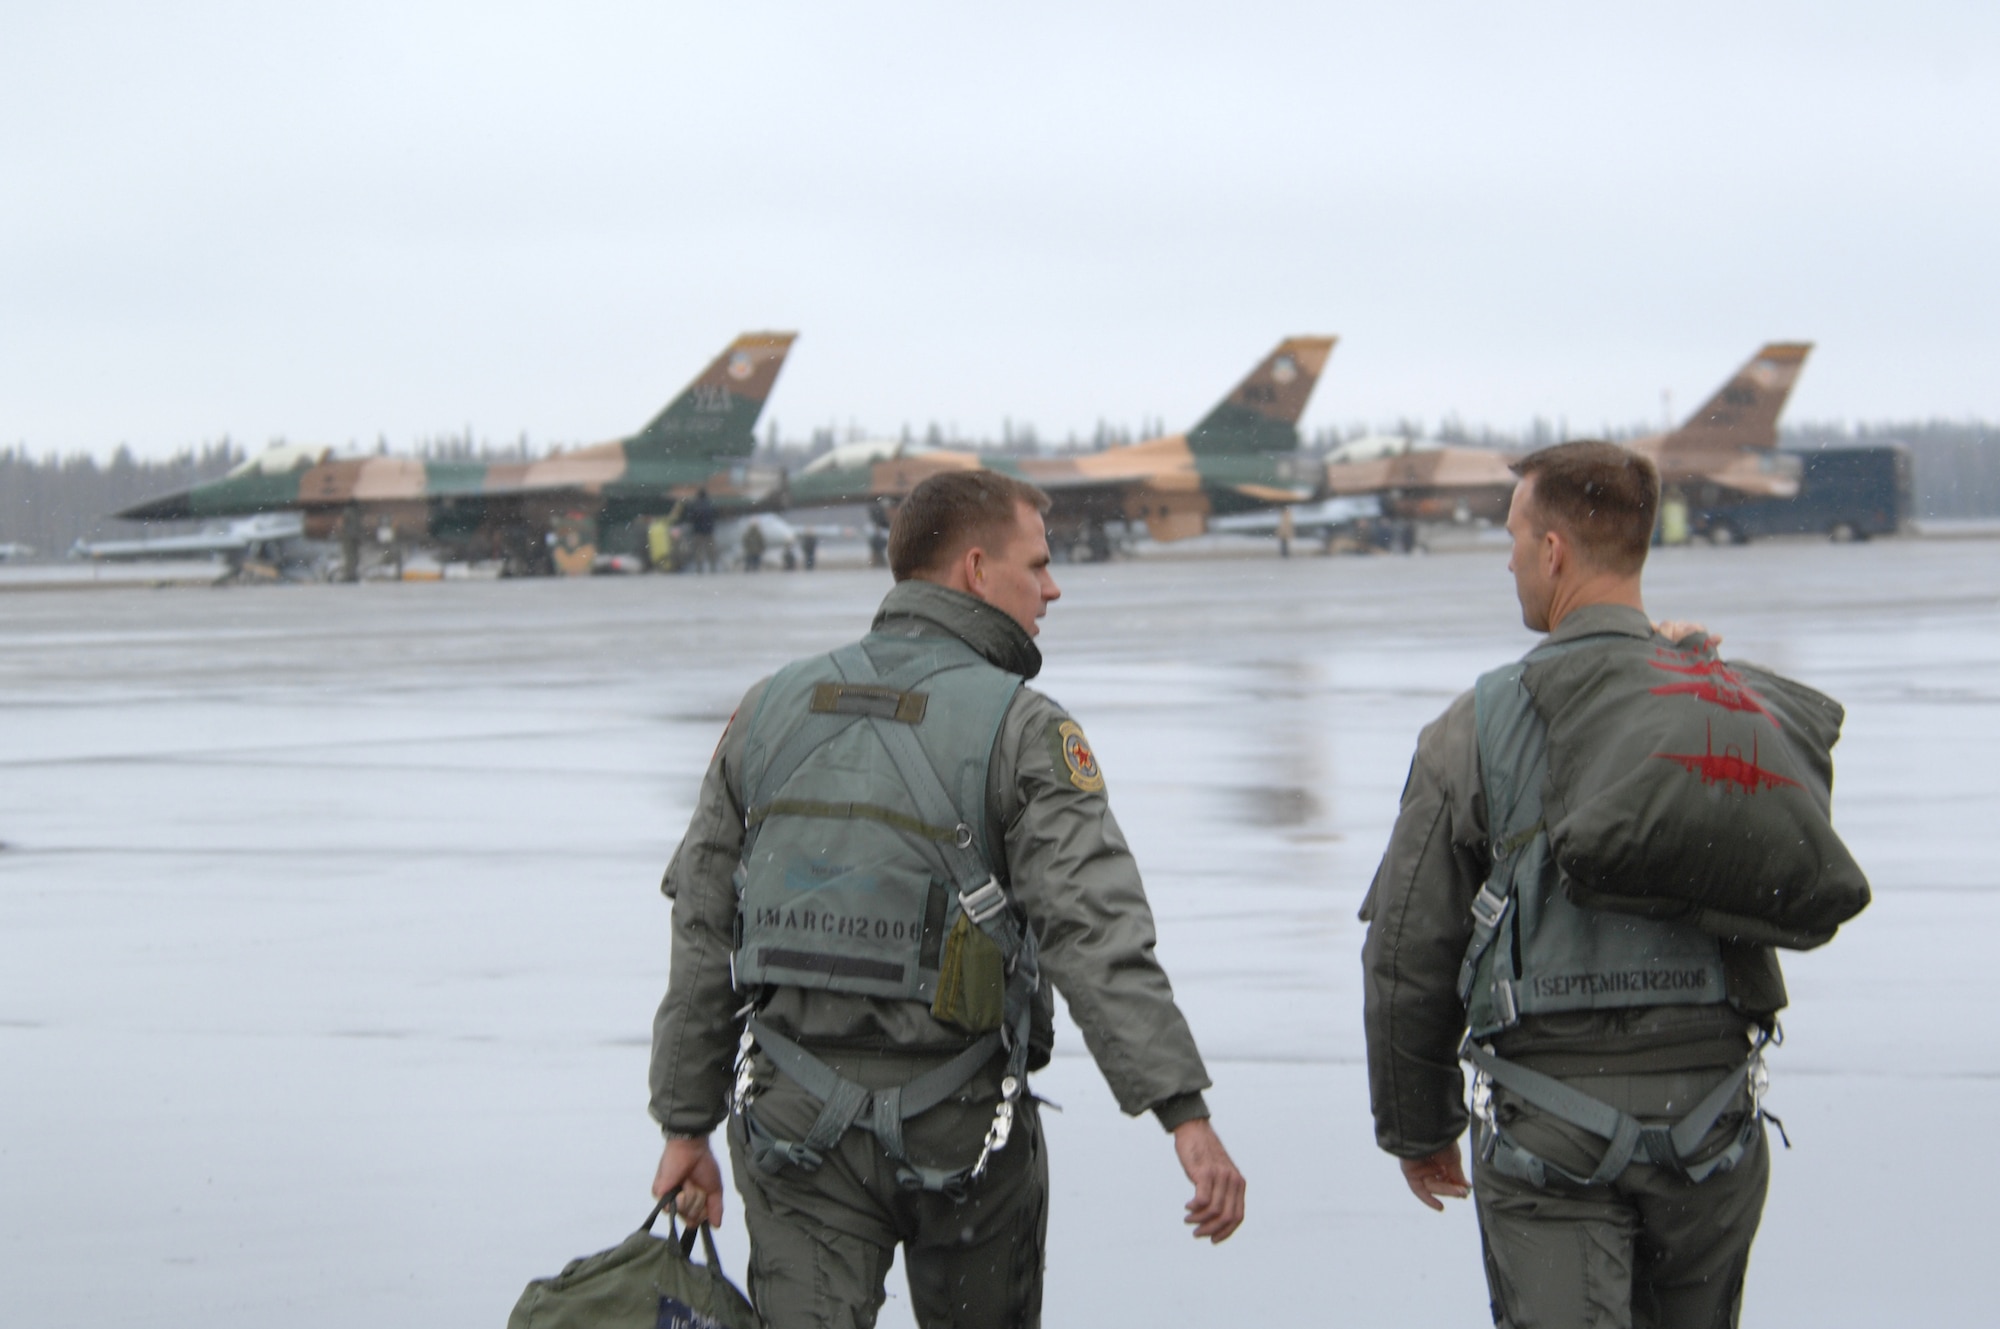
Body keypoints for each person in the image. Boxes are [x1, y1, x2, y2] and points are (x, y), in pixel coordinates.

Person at [649, 470, 1245, 1328]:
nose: (1053, 585)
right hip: (965, 1134)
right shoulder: (1026, 729)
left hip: (795, 1133)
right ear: (975, 568)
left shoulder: (766, 710)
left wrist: (684, 1124)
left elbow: (705, 926)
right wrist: (1182, 1112)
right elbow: (1092, 929)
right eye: (1036, 563)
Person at [1360, 441, 1790, 1329]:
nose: (1508, 556)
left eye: (1516, 535)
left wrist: (1418, 1124)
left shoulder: (1471, 729)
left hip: (1548, 1131)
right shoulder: (1724, 698)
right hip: (1710, 1121)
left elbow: (1408, 948)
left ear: (1553, 551)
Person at [686, 488, 719, 573]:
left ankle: (699, 567)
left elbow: (690, 517)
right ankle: (713, 566)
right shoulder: (710, 504)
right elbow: (715, 515)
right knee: (711, 550)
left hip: (698, 531)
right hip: (709, 531)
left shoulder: (694, 505)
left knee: (698, 550)